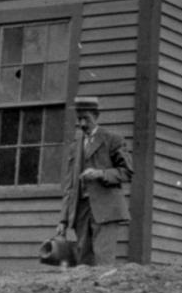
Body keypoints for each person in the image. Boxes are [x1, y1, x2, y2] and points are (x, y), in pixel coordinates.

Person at [55, 96, 133, 267]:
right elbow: (70, 186)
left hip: (106, 209)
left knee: (103, 260)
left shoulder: (113, 140)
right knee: (83, 261)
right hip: (81, 209)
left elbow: (127, 172)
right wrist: (63, 220)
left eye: (86, 119)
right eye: (79, 119)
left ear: (96, 117)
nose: (82, 124)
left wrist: (100, 173)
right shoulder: (75, 146)